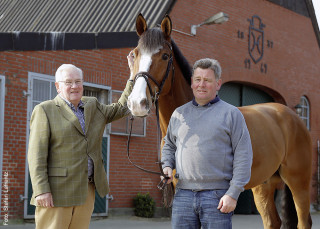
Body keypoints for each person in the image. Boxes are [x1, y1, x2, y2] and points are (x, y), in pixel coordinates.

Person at [28, 52, 135, 229]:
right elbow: (36, 155)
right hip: (56, 192)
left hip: (87, 190)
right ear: (57, 86)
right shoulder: (44, 110)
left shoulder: (93, 106)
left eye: (78, 81)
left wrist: (132, 76)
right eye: (68, 82)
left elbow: (121, 108)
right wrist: (41, 190)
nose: (74, 86)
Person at [161, 58, 253, 229]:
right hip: (183, 195)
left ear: (218, 84)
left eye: (207, 80)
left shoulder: (232, 114)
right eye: (198, 79)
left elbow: (244, 156)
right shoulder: (178, 114)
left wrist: (233, 194)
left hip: (217, 197)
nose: (201, 85)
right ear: (192, 83)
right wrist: (167, 165)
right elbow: (169, 145)